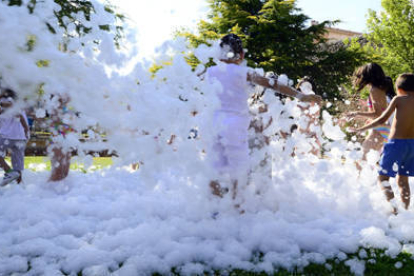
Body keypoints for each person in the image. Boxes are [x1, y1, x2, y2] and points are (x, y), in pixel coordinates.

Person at [207, 34, 321, 203]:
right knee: (238, 173)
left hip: (215, 124)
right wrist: (300, 96)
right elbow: (273, 84)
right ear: (241, 55)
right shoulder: (243, 72)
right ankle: (237, 210)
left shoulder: (210, 72)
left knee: (215, 170)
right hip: (237, 125)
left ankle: (215, 211)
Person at [350, 73, 414, 213]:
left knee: (382, 177)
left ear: (399, 88)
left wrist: (361, 128)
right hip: (412, 145)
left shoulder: (398, 99)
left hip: (396, 144)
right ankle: (405, 210)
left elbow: (381, 119)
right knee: (403, 180)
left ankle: (394, 209)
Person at [345, 63, 396, 161]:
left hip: (380, 130)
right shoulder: (381, 89)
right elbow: (379, 113)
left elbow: (378, 114)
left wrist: (357, 113)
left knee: (362, 160)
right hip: (383, 129)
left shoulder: (375, 90)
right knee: (368, 162)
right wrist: (357, 115)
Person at [0, 88, 30, 186]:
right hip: (20, 137)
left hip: (8, 136)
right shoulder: (19, 103)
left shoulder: (5, 101)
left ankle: (9, 172)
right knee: (18, 164)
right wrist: (26, 130)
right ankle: (19, 186)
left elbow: (18, 115)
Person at [47, 94, 75, 182]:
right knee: (58, 170)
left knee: (65, 170)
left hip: (66, 139)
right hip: (57, 140)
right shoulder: (55, 107)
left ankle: (59, 192)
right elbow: (55, 121)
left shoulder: (68, 107)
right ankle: (49, 189)